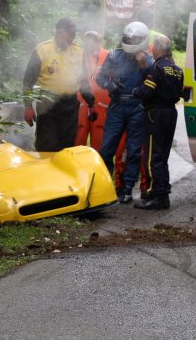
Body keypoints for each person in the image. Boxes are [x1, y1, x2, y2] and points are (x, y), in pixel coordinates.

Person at [97, 22, 153, 204]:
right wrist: (111, 86)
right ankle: (104, 187)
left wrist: (142, 63)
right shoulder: (114, 55)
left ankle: (128, 189)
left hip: (138, 107)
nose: (130, 41)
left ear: (143, 40)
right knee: (107, 148)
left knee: (134, 150)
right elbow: (100, 77)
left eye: (134, 39)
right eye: (128, 39)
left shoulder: (148, 59)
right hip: (118, 105)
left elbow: (154, 79)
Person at [23, 18, 94, 152]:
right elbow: (28, 82)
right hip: (47, 104)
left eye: (74, 34)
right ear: (60, 32)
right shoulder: (42, 50)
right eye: (70, 34)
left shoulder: (79, 52)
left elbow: (84, 81)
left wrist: (91, 103)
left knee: (67, 147)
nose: (72, 37)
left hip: (70, 105)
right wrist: (28, 106)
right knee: (46, 145)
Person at [131, 35, 184, 210]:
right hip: (171, 113)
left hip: (156, 113)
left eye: (153, 48)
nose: (151, 50)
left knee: (153, 155)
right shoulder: (177, 69)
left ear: (159, 49)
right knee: (163, 155)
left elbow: (147, 91)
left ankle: (155, 195)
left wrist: (135, 91)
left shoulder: (157, 67)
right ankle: (164, 195)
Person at [75, 30, 110, 151]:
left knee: (99, 141)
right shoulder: (78, 55)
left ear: (98, 41)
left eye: (93, 40)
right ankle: (77, 166)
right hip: (82, 103)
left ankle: (97, 166)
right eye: (87, 40)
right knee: (79, 138)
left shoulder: (108, 55)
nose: (89, 43)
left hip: (101, 104)